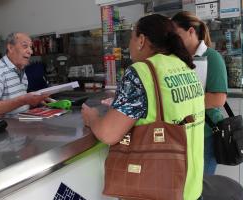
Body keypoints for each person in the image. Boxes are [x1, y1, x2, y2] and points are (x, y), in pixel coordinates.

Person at [82, 14, 205, 200]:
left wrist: (92, 118)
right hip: (191, 186)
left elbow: (108, 134)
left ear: (141, 40)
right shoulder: (186, 67)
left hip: (158, 189)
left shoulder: (141, 71)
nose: (129, 45)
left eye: (131, 38)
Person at [172, 11, 228, 175]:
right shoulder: (177, 58)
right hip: (182, 134)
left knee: (201, 184)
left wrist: (182, 103)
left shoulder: (212, 57)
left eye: (176, 35)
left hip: (206, 134)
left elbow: (218, 99)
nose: (173, 41)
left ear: (191, 31)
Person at [0, 32, 48, 118]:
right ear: (10, 48)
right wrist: (24, 100)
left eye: (30, 47)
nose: (30, 51)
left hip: (22, 125)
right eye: (25, 46)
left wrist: (33, 102)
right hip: (6, 129)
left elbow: (17, 105)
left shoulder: (20, 69)